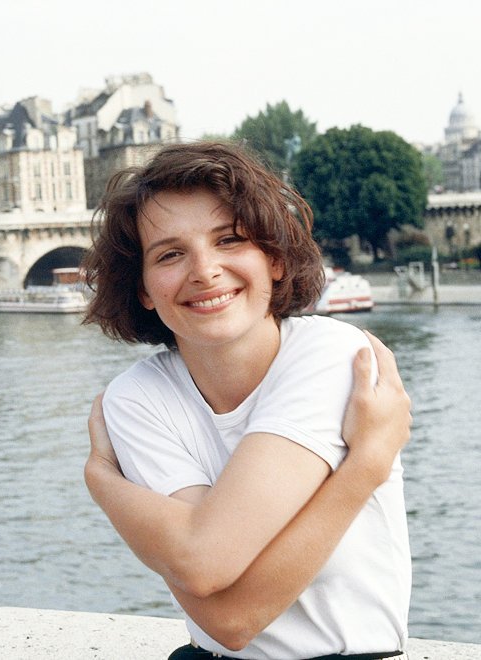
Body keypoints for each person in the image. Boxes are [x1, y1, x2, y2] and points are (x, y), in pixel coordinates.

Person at [81, 141, 412, 660]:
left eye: (230, 240)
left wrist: (104, 483)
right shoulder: (134, 397)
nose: (204, 270)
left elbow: (226, 607)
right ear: (143, 288)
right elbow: (210, 587)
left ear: (275, 260)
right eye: (170, 254)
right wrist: (364, 465)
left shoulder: (333, 356)